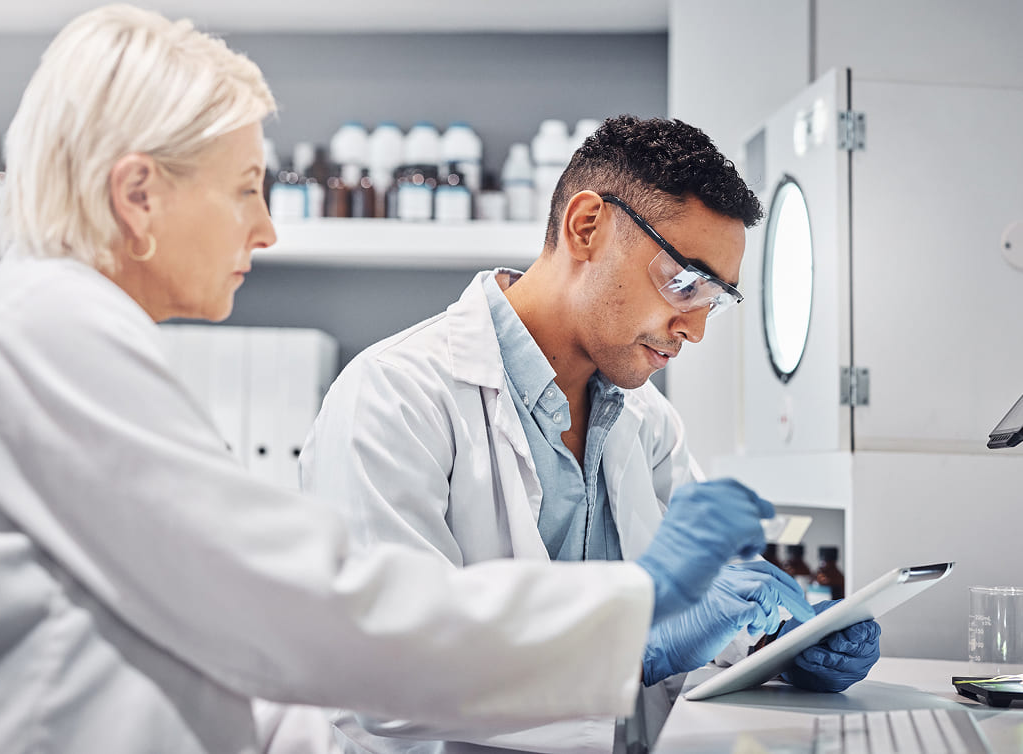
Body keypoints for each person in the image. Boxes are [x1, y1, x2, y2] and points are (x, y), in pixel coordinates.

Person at [0, 9, 779, 754]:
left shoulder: (60, 333)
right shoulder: (50, 330)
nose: (265, 226)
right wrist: (635, 617)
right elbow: (312, 613)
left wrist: (763, 638)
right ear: (137, 195)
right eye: (243, 187)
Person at [300, 116, 882, 753]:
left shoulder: (646, 420)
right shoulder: (394, 396)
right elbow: (382, 676)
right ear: (586, 227)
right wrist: (635, 650)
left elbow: (709, 606)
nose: (695, 330)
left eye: (713, 300)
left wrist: (783, 640)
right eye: (685, 282)